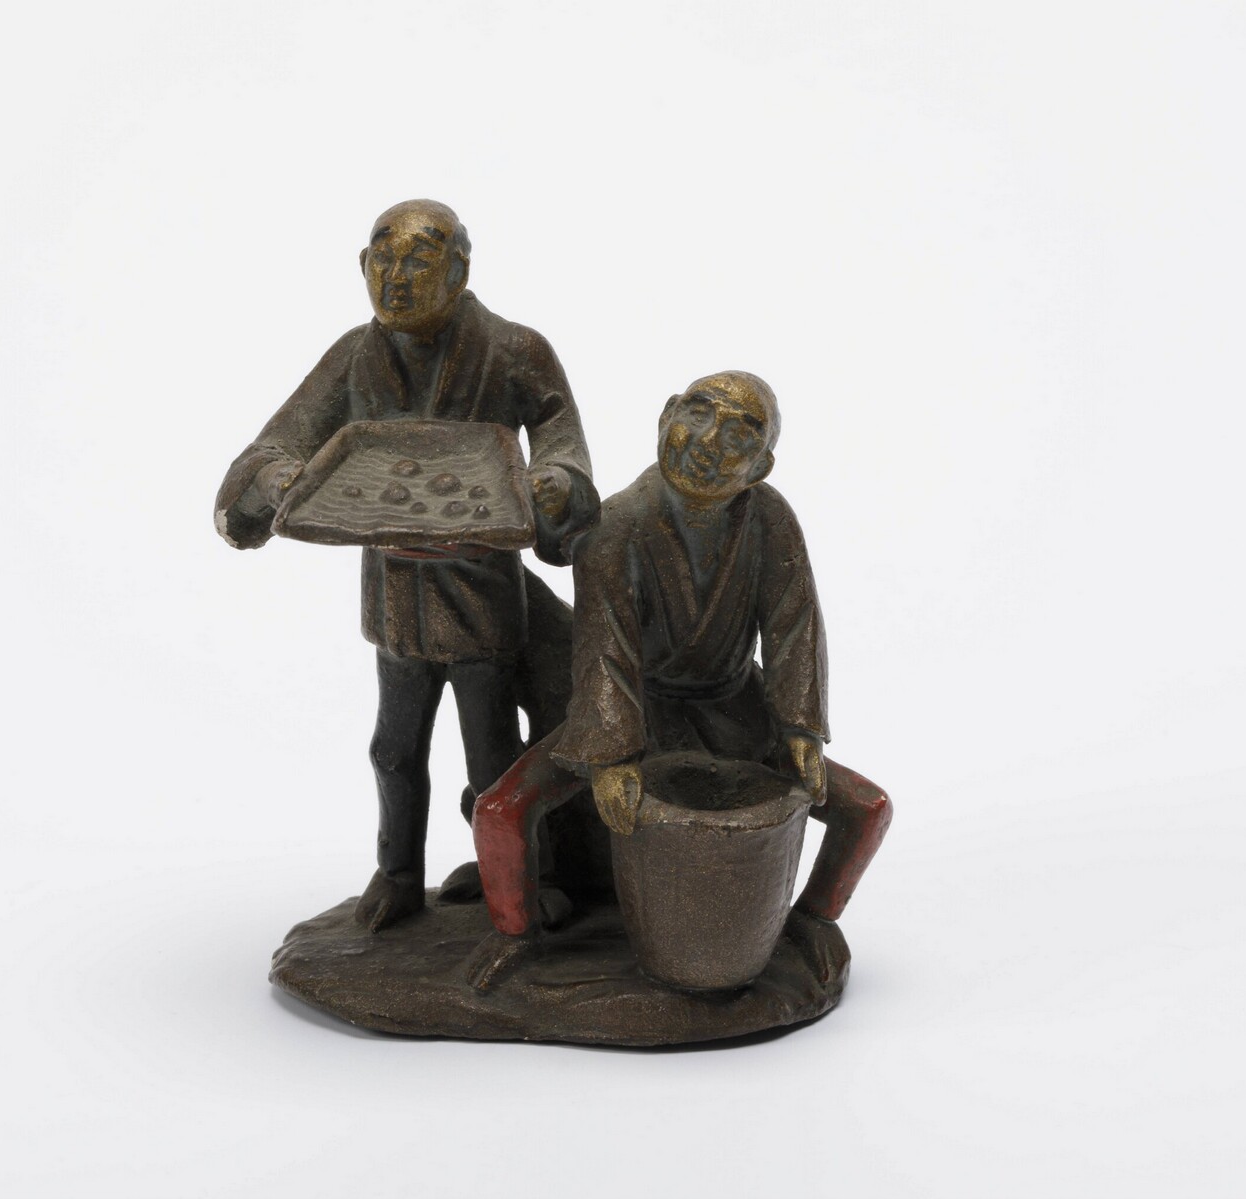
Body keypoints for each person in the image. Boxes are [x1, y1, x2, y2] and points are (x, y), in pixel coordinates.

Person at [215, 200, 598, 931]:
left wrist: (555, 483)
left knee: (493, 758)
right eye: (383, 259)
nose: (396, 277)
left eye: (419, 261)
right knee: (393, 750)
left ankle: (524, 880)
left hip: (483, 600)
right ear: (362, 266)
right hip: (395, 600)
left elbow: (562, 439)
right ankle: (397, 874)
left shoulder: (515, 349)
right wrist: (277, 480)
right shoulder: (354, 357)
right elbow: (278, 442)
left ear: (458, 271)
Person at [468, 371, 890, 988]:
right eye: (697, 413)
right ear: (667, 416)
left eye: (740, 435)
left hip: (737, 707)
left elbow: (795, 624)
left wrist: (800, 730)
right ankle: (514, 936)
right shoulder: (616, 525)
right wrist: (613, 756)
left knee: (867, 810)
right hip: (635, 708)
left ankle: (814, 920)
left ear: (760, 468)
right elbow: (605, 649)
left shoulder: (770, 518)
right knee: (501, 810)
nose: (708, 441)